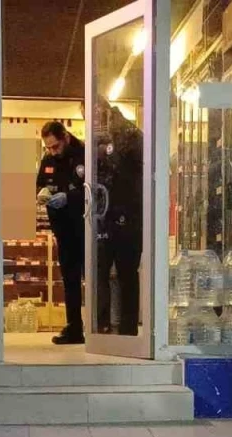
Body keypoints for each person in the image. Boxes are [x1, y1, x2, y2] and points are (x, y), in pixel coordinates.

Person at [92, 98, 144, 335]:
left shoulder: (129, 135)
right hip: (104, 216)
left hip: (128, 216)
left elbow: (126, 172)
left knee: (126, 274)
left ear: (103, 110)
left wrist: (103, 151)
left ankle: (127, 330)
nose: (92, 121)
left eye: (93, 115)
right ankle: (104, 327)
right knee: (100, 273)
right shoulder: (102, 137)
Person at [36, 122, 87, 344]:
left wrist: (70, 197)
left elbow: (94, 190)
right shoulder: (48, 159)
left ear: (65, 137)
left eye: (55, 146)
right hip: (62, 229)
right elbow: (40, 182)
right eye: (48, 147)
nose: (52, 152)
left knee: (92, 279)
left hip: (84, 228)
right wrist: (42, 193)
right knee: (70, 279)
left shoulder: (84, 154)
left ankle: (99, 330)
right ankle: (74, 328)